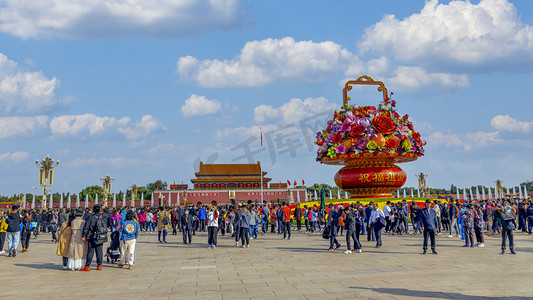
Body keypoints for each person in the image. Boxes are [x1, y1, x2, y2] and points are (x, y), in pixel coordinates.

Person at [81, 205, 109, 271]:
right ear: (100, 210)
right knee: (99, 251)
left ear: (93, 210)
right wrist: (105, 208)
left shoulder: (90, 217)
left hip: (91, 236)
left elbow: (86, 227)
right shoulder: (104, 216)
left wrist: (84, 235)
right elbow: (109, 214)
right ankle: (99, 265)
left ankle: (87, 266)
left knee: (90, 252)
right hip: (100, 236)